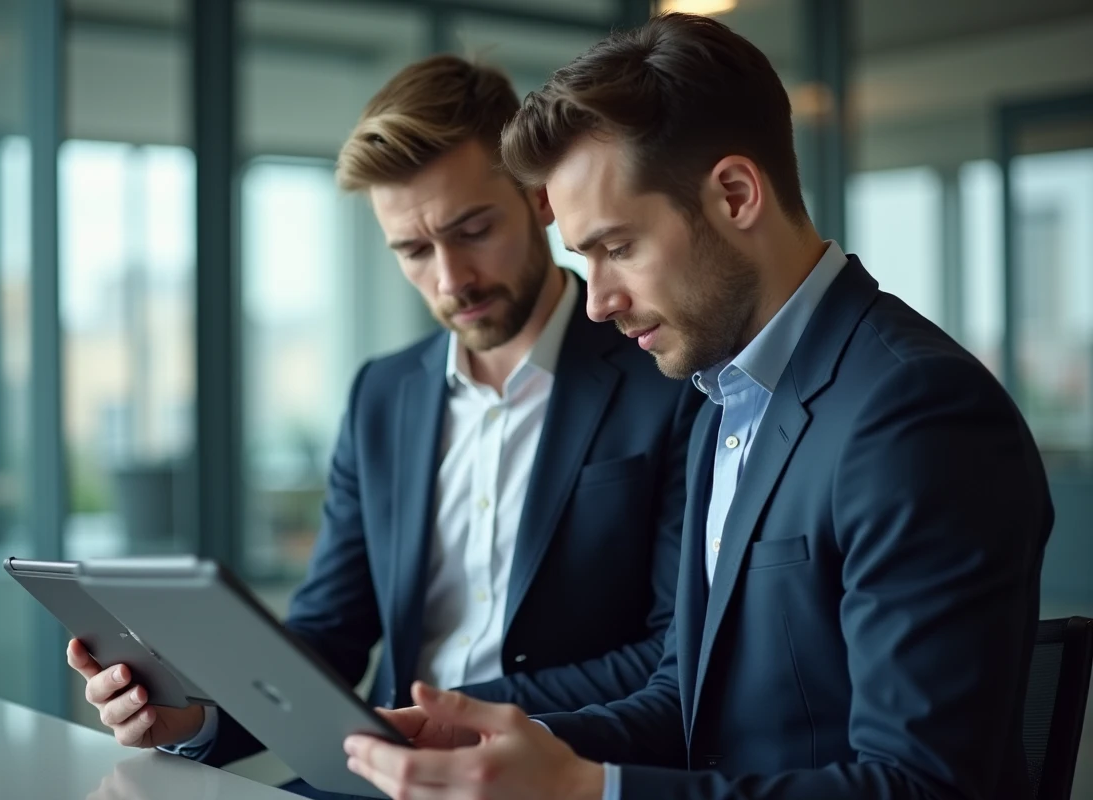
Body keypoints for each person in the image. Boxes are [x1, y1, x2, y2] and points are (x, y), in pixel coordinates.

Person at [343, 13, 1053, 800]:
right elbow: (685, 702)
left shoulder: (918, 413)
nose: (598, 302)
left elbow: (922, 788)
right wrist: (506, 742)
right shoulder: (726, 394)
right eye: (584, 256)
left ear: (736, 195)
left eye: (618, 247)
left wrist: (585, 792)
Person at [66, 53, 701, 796]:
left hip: (553, 772)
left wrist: (459, 717)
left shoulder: (663, 378)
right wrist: (199, 717)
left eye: (472, 229)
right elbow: (328, 635)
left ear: (539, 201)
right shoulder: (383, 395)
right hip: (382, 775)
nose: (449, 278)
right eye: (412, 249)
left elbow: (671, 653)